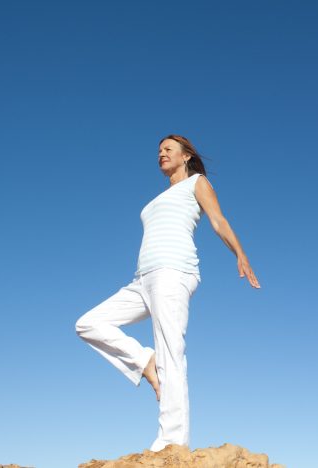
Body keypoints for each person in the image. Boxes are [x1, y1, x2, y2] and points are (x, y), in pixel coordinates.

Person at [75, 134, 260, 452]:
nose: (161, 154)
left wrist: (240, 254)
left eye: (168, 149)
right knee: (89, 324)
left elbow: (218, 220)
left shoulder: (197, 183)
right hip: (141, 279)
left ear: (186, 156)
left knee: (171, 352)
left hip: (174, 272)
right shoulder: (158, 198)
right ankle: (145, 360)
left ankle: (172, 441)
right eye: (159, 150)